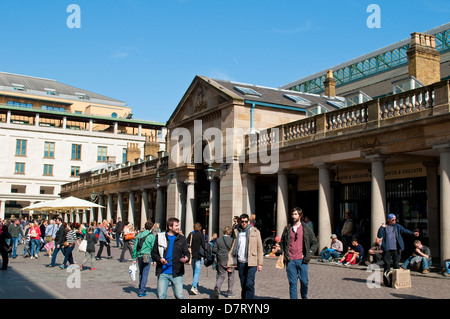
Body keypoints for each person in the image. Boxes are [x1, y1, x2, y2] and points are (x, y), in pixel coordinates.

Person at [277, 207, 318, 299]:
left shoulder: (306, 228)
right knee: (292, 283)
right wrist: (282, 251)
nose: (293, 216)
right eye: (292, 214)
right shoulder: (287, 228)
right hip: (290, 260)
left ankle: (304, 296)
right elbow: (282, 242)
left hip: (302, 260)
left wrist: (309, 254)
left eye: (295, 214)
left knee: (304, 282)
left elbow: (315, 242)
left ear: (300, 215)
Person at [151, 217, 190, 299]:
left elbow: (186, 252)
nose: (178, 227)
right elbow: (154, 253)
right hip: (163, 272)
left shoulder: (181, 238)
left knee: (179, 296)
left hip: (177, 271)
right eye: (176, 225)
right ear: (170, 227)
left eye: (178, 225)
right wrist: (159, 259)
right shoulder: (160, 237)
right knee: (161, 296)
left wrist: (186, 258)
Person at [227, 213, 264, 299]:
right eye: (242, 221)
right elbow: (232, 248)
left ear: (248, 221)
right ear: (240, 221)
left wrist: (260, 263)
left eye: (246, 221)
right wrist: (229, 263)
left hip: (252, 262)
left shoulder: (255, 231)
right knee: (243, 284)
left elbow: (259, 248)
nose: (244, 223)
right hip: (241, 262)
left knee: (249, 284)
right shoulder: (237, 232)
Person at [132, 220, 156, 297]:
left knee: (141, 272)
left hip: (139, 255)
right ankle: (141, 290)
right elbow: (153, 248)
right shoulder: (152, 236)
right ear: (152, 228)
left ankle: (141, 287)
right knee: (145, 273)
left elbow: (135, 247)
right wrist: (154, 259)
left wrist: (134, 257)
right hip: (147, 255)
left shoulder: (139, 235)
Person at [213, 226, 235, 299]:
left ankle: (217, 287)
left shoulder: (218, 240)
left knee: (221, 275)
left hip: (221, 260)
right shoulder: (232, 240)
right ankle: (229, 292)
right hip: (230, 260)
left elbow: (214, 250)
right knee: (231, 276)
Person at [186, 222, 206, 295]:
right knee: (197, 272)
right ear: (200, 228)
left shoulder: (191, 234)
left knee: (194, 271)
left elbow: (187, 242)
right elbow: (203, 245)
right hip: (199, 255)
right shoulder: (201, 235)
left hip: (192, 255)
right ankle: (194, 286)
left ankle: (196, 286)